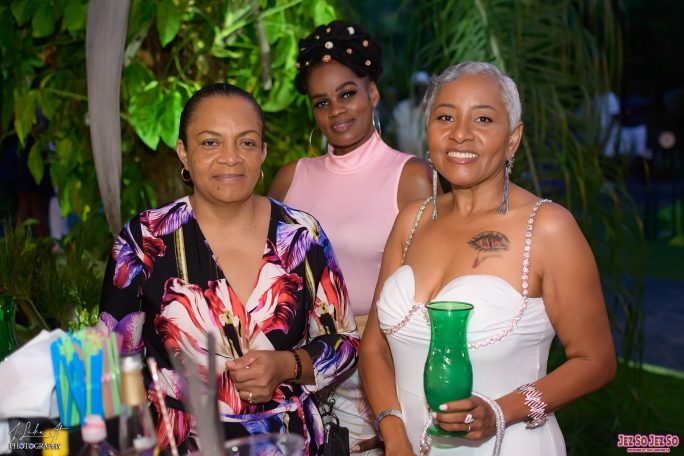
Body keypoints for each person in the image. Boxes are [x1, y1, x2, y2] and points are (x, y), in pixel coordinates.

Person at [359, 61, 616, 455]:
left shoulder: (548, 228)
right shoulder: (411, 221)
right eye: (445, 117)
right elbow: (373, 347)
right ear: (428, 130)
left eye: (483, 119)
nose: (460, 133)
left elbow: (595, 361)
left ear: (513, 140)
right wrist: (393, 434)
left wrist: (501, 411)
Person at [98, 83, 360, 455]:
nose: (231, 158)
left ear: (263, 152)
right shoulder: (144, 241)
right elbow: (113, 365)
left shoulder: (302, 235)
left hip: (290, 443)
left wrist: (287, 364)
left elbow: (345, 342)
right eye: (210, 143)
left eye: (246, 142)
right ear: (183, 153)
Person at [268, 20, 433, 453]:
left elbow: (431, 288)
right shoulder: (290, 179)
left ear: (372, 93)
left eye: (347, 94)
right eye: (321, 102)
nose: (336, 111)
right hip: (298, 370)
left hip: (380, 367)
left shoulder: (411, 177)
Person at [392, 71, 431, 158]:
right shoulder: (401, 108)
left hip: (425, 162)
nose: (420, 92)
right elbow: (392, 133)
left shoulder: (432, 110)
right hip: (403, 160)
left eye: (423, 88)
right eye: (417, 88)